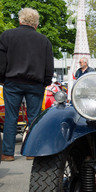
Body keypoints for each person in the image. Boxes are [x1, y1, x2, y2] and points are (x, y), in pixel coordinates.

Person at [0, 8, 54, 162]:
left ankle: (8, 153)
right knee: (34, 118)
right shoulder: (44, 41)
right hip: (35, 83)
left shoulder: (7, 36)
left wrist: (2, 79)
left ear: (20, 20)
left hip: (12, 82)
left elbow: (1, 61)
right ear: (36, 24)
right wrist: (46, 81)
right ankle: (32, 151)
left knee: (11, 117)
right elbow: (49, 65)